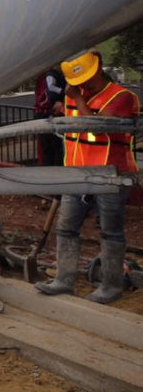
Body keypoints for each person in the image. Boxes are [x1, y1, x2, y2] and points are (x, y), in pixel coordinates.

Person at [36, 51, 139, 304]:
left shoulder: (121, 97)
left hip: (110, 174)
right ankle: (64, 280)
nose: (83, 85)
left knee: (111, 231)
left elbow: (97, 127)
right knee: (66, 228)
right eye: (78, 81)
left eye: (86, 79)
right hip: (76, 172)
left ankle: (111, 285)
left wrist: (76, 99)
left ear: (99, 68)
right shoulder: (76, 94)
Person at [34, 66, 67, 166]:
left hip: (43, 113)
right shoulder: (51, 75)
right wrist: (64, 91)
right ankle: (55, 168)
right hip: (49, 114)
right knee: (54, 145)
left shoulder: (44, 76)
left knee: (48, 146)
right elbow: (51, 87)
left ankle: (49, 168)